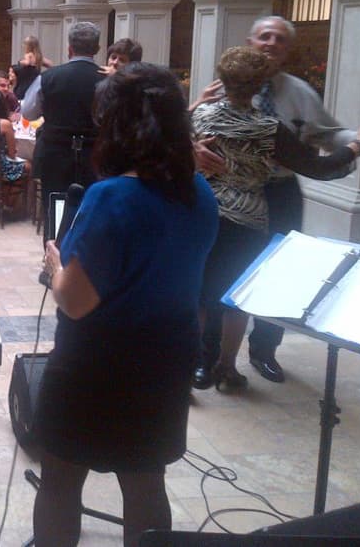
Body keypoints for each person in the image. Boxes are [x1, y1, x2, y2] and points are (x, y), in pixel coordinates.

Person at [35, 62, 218, 547]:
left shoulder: (111, 196)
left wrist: (55, 265)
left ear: (117, 126)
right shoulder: (200, 192)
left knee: (60, 478)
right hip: (168, 358)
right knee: (144, 478)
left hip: (97, 364)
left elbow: (75, 302)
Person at [192, 15, 360, 384]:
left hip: (269, 194)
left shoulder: (298, 92)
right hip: (242, 203)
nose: (271, 43)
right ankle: (213, 360)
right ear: (251, 43)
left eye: (279, 38)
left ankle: (257, 352)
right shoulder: (230, 102)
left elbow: (328, 133)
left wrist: (350, 140)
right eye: (264, 36)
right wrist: (356, 147)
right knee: (232, 285)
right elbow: (318, 166)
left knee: (263, 278)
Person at [23, 21, 106, 250]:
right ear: (97, 49)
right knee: (92, 206)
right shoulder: (107, 80)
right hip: (95, 154)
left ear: (69, 48)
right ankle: (85, 260)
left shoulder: (49, 77)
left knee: (55, 205)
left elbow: (28, 112)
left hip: (56, 154)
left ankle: (53, 261)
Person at [12, 35, 53, 100]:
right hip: (35, 84)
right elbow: (50, 64)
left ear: (29, 46)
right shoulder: (39, 57)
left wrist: (21, 62)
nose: (23, 46)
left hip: (25, 84)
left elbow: (27, 63)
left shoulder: (28, 54)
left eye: (24, 44)